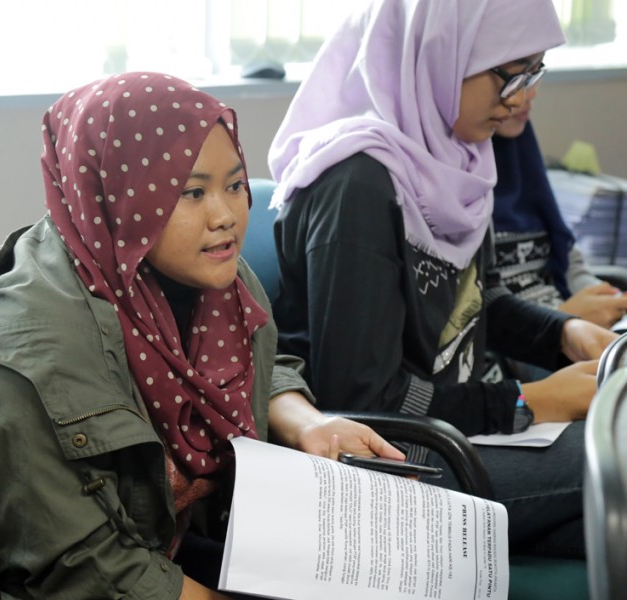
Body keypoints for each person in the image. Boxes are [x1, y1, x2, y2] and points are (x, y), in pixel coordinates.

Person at [0, 72, 403, 599]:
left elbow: (245, 361)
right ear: (121, 196)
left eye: (233, 185)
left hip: (129, 558)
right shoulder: (21, 354)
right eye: (192, 193)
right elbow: (86, 568)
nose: (226, 215)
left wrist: (307, 422)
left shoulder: (208, 276)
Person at [267, 0, 617, 558]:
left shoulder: (456, 159)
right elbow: (364, 398)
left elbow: (476, 298)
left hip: (454, 427)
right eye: (510, 74)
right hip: (387, 455)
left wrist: (562, 333)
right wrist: (529, 402)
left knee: (605, 523)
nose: (522, 98)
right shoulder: (356, 185)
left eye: (534, 72)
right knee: (616, 460)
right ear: (438, 53)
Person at [492, 96, 627, 330]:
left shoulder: (522, 156)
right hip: (537, 339)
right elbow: (480, 324)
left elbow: (567, 262)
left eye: (534, 77)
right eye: (514, 79)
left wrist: (609, 301)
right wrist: (563, 322)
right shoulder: (459, 198)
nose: (529, 94)